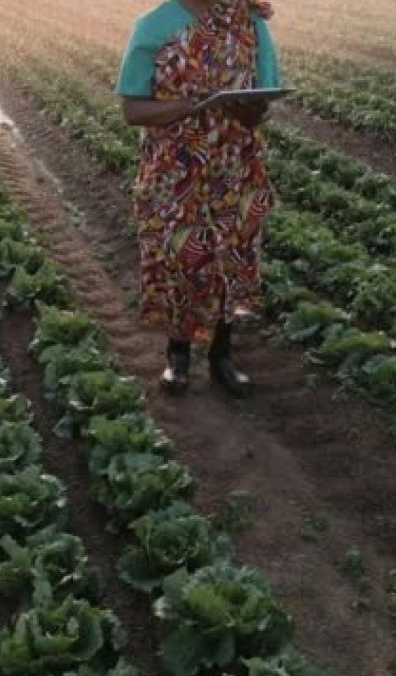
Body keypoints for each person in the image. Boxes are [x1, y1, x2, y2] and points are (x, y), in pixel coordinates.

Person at [116, 0, 281, 397]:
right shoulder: (155, 25)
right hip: (174, 169)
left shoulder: (250, 23)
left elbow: (262, 105)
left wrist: (251, 112)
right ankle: (178, 355)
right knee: (179, 257)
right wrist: (188, 107)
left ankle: (222, 355)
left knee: (232, 257)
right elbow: (133, 109)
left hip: (235, 164)